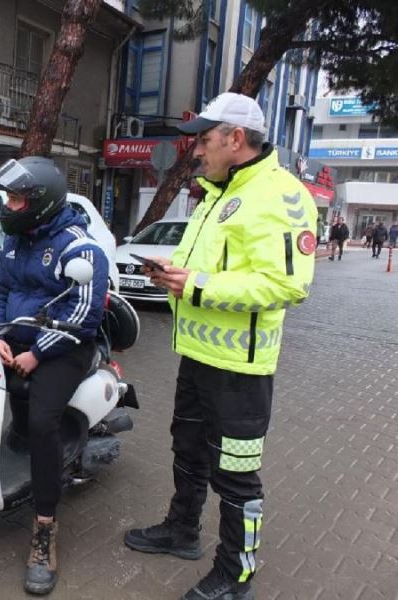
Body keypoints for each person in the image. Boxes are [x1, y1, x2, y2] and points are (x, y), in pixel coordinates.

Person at [123, 93, 316, 600]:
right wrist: (172, 277)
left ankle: (236, 573)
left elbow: (285, 285)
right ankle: (181, 530)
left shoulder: (282, 195)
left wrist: (200, 285)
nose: (196, 151)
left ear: (235, 139)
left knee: (236, 475)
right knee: (187, 451)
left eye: (205, 141)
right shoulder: (215, 193)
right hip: (197, 357)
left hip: (241, 372)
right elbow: (207, 269)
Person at [0, 157, 109, 595]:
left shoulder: (80, 247)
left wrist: (37, 354)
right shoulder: (14, 239)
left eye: (16, 199)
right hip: (19, 340)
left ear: (40, 203)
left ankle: (44, 527)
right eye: (8, 197)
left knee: (41, 421)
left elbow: (82, 315)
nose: (8, 205)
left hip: (65, 348)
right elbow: (1, 290)